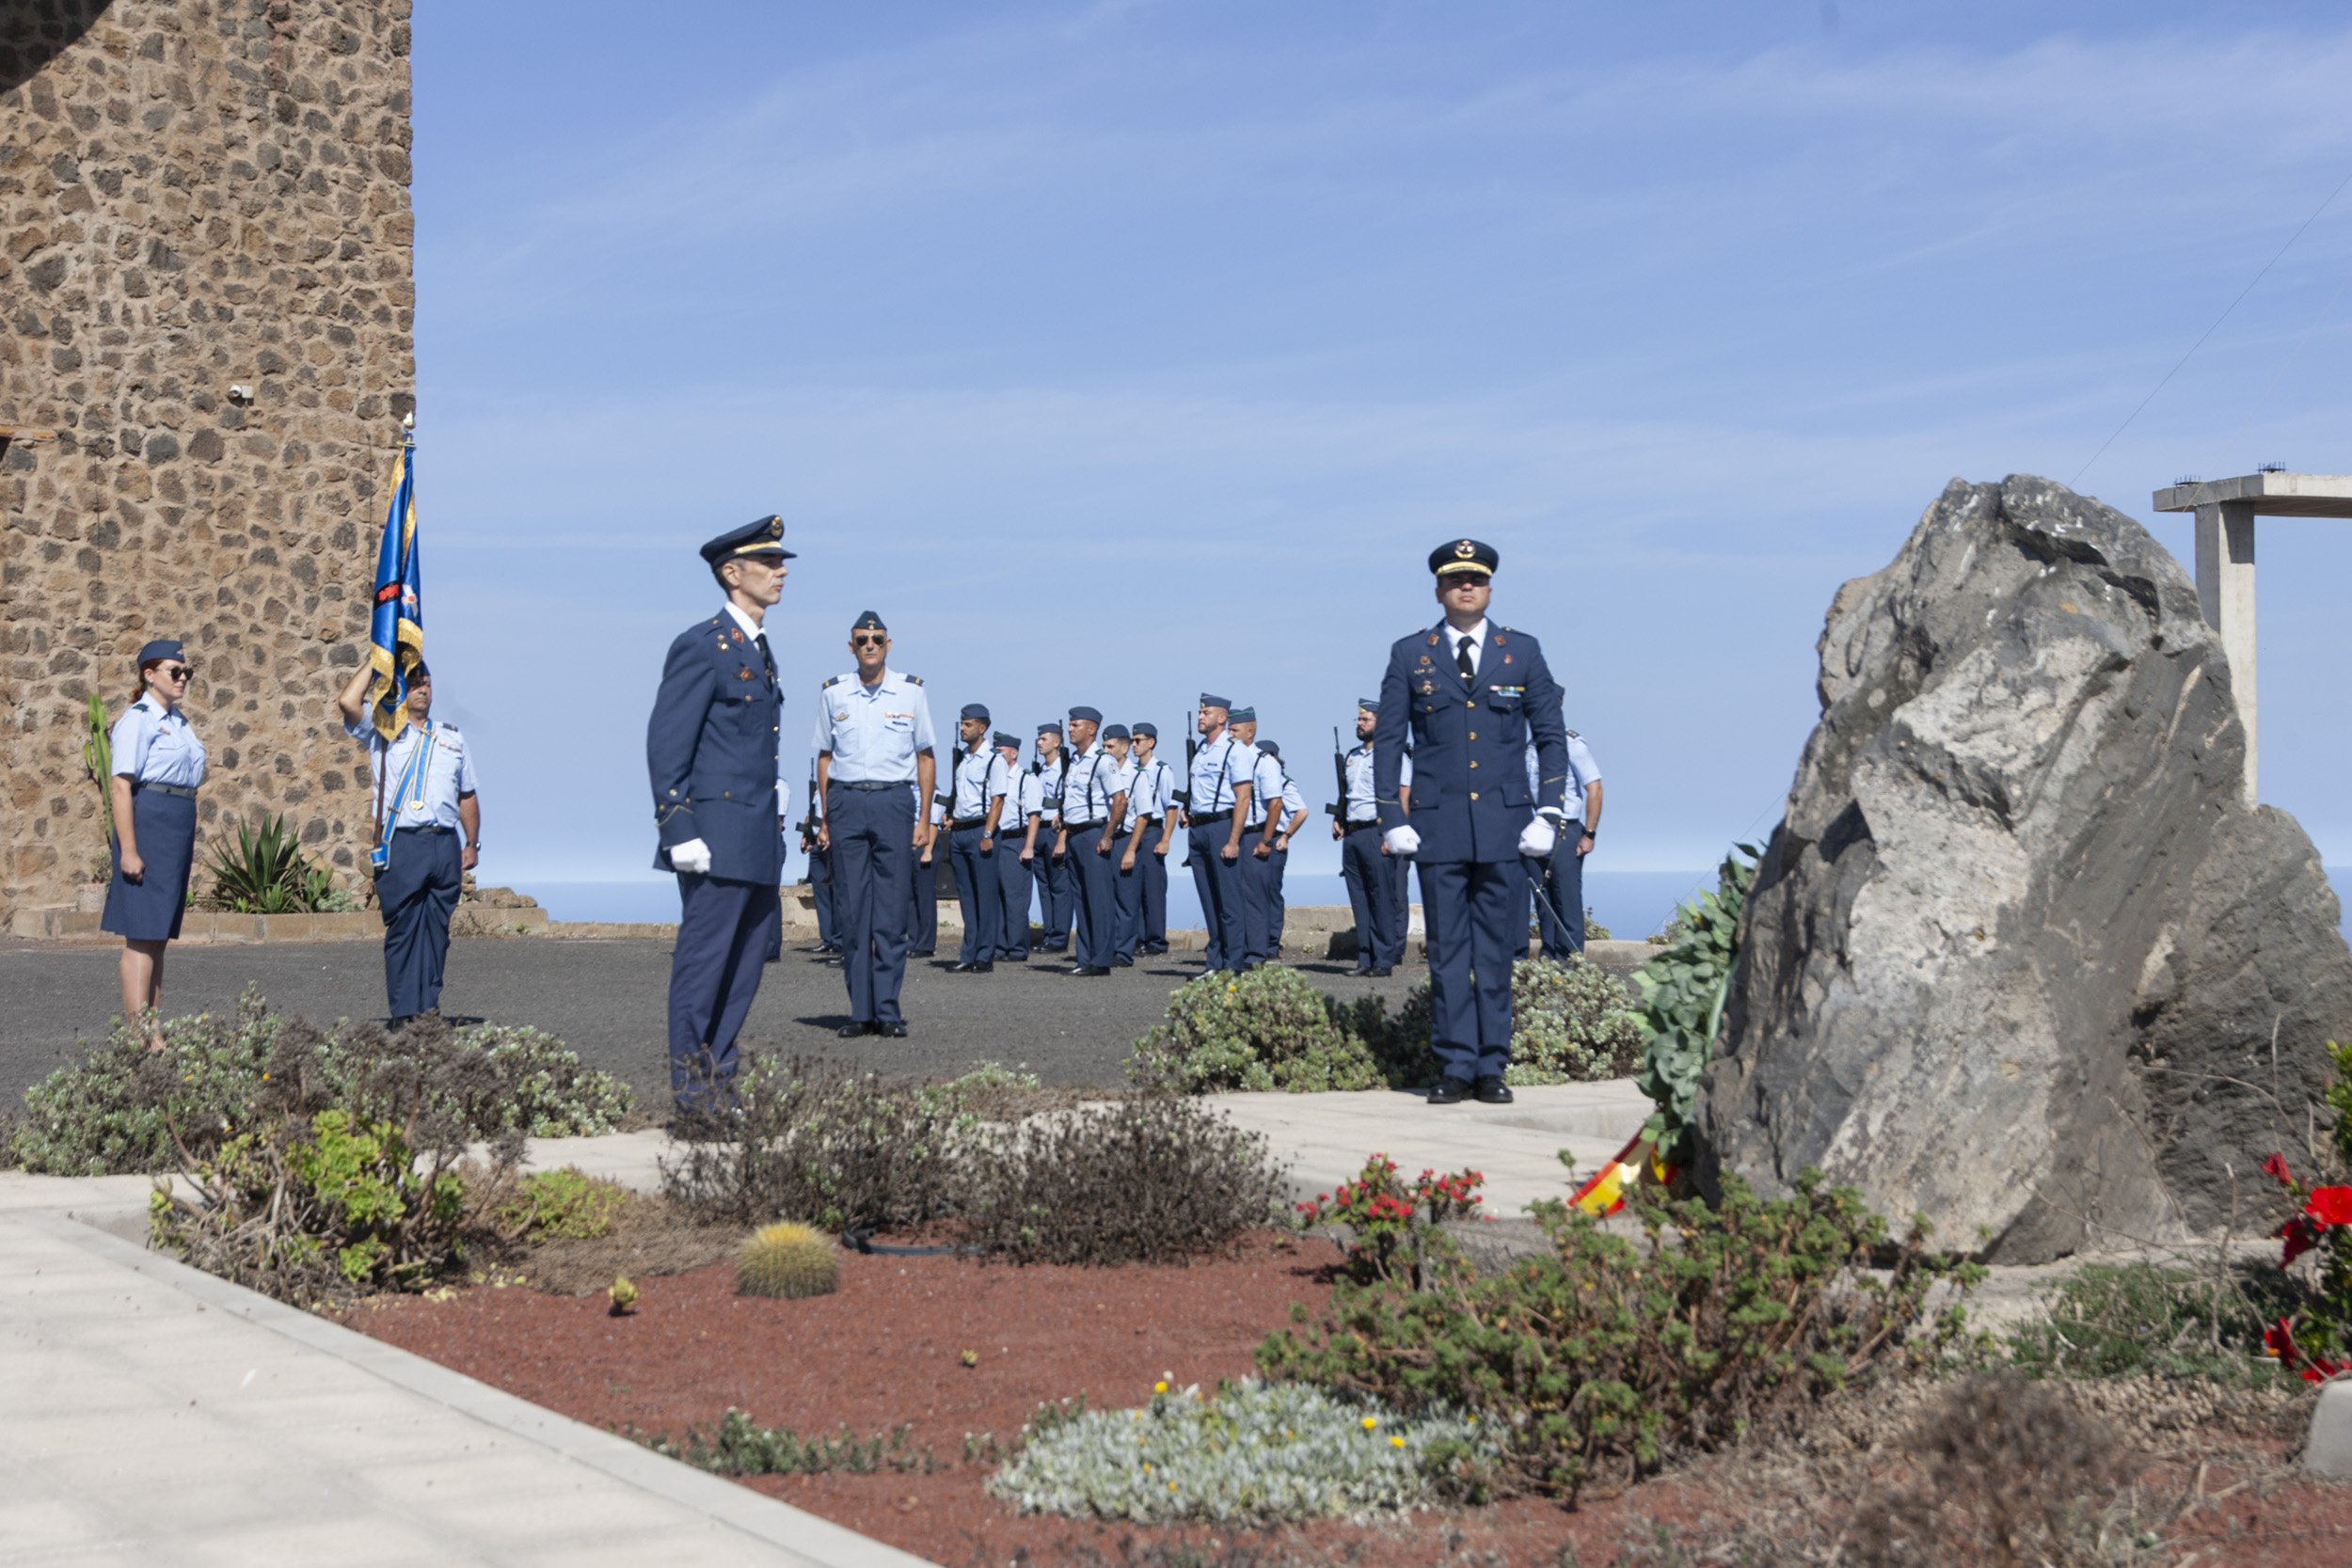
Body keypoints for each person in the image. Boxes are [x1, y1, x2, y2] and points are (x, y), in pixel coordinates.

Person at [1375, 538, 1567, 1107]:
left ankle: (1492, 1066)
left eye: (1476, 581)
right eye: (1456, 580)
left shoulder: (1522, 652)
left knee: (1497, 953)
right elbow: (1389, 740)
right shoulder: (1411, 654)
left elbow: (1551, 735)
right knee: (1448, 951)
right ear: (1439, 590)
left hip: (1507, 827)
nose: (1467, 588)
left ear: (1489, 589)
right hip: (1436, 827)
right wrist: (1391, 815)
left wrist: (1550, 811)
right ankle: (1455, 1064)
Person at [646, 516, 792, 1117]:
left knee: (745, 965)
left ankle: (719, 1082)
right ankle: (692, 1095)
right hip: (713, 835)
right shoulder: (702, 645)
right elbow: (667, 743)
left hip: (756, 833)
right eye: (770, 563)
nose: (781, 572)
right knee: (705, 966)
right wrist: (678, 828)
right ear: (733, 574)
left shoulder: (756, 646)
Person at [335, 658, 481, 1026]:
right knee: (403, 928)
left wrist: (472, 843)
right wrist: (376, 660)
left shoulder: (451, 737)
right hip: (403, 843)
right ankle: (403, 1013)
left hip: (444, 843)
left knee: (436, 931)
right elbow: (348, 702)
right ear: (400, 687)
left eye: (427, 683)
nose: (422, 689)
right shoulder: (383, 729)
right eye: (415, 682)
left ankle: (428, 1010)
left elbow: (467, 795)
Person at [814, 610, 938, 1037]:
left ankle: (887, 1010)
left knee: (889, 914)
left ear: (889, 644)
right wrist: (827, 819)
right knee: (852, 914)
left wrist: (924, 819)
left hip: (893, 803)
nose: (870, 645)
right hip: (847, 802)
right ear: (851, 646)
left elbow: (925, 756)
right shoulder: (834, 693)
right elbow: (825, 758)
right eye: (862, 639)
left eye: (877, 639)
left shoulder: (911, 693)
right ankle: (859, 1012)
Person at [101, 639, 207, 1048]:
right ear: (149, 675)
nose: (183, 679)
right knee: (142, 935)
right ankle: (139, 1035)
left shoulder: (178, 721)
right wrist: (128, 849)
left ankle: (153, 1028)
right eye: (174, 671)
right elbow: (120, 785)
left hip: (176, 823)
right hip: (149, 821)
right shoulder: (138, 719)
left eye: (187, 673)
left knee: (158, 935)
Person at [1184, 695, 1257, 974]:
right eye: (1200, 712)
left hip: (1222, 826)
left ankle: (1233, 963)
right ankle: (1214, 963)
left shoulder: (1233, 750)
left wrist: (1233, 840)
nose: (1201, 716)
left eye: (1206, 712)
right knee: (1209, 899)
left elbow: (1243, 798)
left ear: (1222, 718)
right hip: (1199, 827)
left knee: (1229, 901)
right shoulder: (1201, 751)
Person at [1053, 706, 1127, 976]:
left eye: (1076, 725)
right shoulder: (1074, 761)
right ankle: (1085, 957)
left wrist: (1108, 835)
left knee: (1099, 899)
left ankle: (1101, 959)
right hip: (1074, 833)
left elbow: (1120, 801)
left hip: (1094, 833)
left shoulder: (1102, 761)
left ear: (1091, 729)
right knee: (1080, 898)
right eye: (1070, 725)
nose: (1070, 729)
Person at [1335, 699, 1405, 976]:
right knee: (1360, 898)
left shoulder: (1392, 755)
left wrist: (1393, 833)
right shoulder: (1352, 756)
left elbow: (1402, 797)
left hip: (1378, 832)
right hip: (1353, 833)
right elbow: (1347, 794)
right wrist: (1338, 819)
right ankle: (1365, 958)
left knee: (1382, 898)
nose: (1360, 724)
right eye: (1359, 720)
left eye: (1366, 720)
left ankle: (1384, 960)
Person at [1528, 729, 1604, 958]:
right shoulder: (1530, 745)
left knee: (1566, 903)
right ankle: (1548, 962)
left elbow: (1595, 788)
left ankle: (1572, 965)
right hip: (1534, 829)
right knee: (1543, 903)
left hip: (1564, 829)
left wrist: (1589, 834)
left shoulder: (1571, 743)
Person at [945, 703, 1003, 973]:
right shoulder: (963, 759)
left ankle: (984, 955)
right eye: (962, 723)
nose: (963, 729)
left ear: (982, 727)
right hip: (960, 830)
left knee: (985, 895)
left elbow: (997, 800)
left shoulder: (994, 760)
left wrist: (988, 833)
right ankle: (968, 953)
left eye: (968, 725)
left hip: (981, 829)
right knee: (966, 896)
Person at [1118, 721, 1178, 957]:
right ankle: (1138, 937)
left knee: (1152, 888)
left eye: (1138, 740)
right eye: (1132, 740)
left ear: (1151, 743)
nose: (1134, 745)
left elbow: (1171, 807)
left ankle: (1155, 940)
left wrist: (1165, 839)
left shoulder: (1162, 771)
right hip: (1133, 831)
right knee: (1132, 885)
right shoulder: (1132, 771)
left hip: (1152, 830)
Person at [1229, 707, 1281, 969]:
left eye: (1234, 730)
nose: (1230, 735)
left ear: (1250, 733)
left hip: (1252, 834)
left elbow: (1275, 804)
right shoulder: (1229, 759)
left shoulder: (1263, 762)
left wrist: (1266, 840)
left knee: (1254, 898)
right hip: (1232, 835)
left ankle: (1255, 954)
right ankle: (1236, 951)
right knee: (1232, 897)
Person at [1254, 740, 1311, 955]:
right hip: (1257, 836)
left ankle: (1271, 943)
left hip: (1275, 839)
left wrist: (1286, 835)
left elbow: (1301, 811)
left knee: (1271, 892)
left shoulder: (1284, 783)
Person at [993, 732, 1038, 961]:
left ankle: (1017, 947)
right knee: (997, 895)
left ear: (1014, 753)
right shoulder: (992, 778)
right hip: (995, 838)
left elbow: (1033, 816)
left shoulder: (1026, 779)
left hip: (1015, 839)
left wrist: (1029, 846)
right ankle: (1000, 946)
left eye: (1000, 752)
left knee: (1015, 896)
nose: (997, 756)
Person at [1029, 721, 1073, 953]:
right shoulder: (1041, 771)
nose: (1039, 742)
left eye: (1044, 739)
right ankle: (1049, 934)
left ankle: (1059, 938)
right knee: (1044, 885)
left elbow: (1067, 806)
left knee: (1059, 886)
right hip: (1039, 830)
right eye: (1038, 739)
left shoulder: (1065, 770)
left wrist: (1062, 839)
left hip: (1055, 831)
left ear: (1056, 742)